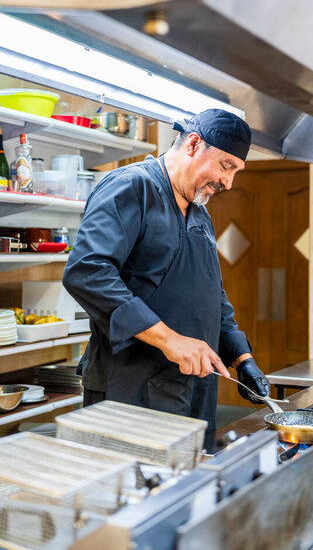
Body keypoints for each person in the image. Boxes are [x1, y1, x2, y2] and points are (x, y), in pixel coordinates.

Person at [63, 108, 271, 439]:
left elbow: (210, 294)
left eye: (236, 172)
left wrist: (241, 358)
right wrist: (169, 340)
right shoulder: (131, 187)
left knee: (186, 488)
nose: (228, 182)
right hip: (130, 394)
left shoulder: (200, 213)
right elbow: (88, 271)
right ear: (192, 144)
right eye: (225, 166)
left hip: (191, 392)